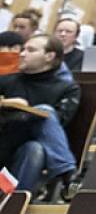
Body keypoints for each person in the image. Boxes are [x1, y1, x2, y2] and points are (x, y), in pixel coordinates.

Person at [0, 34, 80, 195]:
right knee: (46, 111)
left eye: (30, 50)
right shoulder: (5, 81)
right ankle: (68, 174)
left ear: (49, 56)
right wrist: (9, 104)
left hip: (28, 150)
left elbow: (57, 126)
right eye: (23, 49)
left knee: (35, 147)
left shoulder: (67, 88)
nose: (22, 54)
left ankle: (12, 210)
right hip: (4, 140)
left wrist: (26, 114)